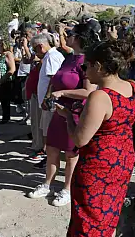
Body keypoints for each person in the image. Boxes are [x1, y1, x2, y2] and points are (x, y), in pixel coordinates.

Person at [57, 40, 135, 237]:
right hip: (123, 161)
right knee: (109, 215)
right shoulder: (132, 89)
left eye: (87, 66)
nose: (84, 72)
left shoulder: (100, 97)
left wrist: (68, 116)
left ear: (100, 67)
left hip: (97, 167)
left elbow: (80, 138)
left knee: (90, 220)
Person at [28, 24, 97, 206]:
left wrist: (63, 93)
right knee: (51, 148)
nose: (67, 36)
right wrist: (50, 94)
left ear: (80, 38)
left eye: (71, 34)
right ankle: (47, 184)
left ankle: (67, 189)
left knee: (70, 154)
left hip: (74, 112)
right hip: (58, 110)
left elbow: (89, 91)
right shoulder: (69, 58)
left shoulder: (87, 62)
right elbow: (55, 79)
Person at [30, 34, 65, 170]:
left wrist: (47, 98)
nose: (35, 53)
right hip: (47, 102)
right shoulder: (50, 57)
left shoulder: (52, 57)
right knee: (45, 130)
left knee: (49, 132)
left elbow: (53, 79)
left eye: (35, 49)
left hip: (50, 102)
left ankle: (50, 160)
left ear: (40, 46)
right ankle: (48, 158)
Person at [0, 40, 16, 126]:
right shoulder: (0, 55)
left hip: (5, 81)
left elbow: (12, 69)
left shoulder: (8, 54)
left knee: (4, 100)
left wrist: (3, 79)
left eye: (0, 45)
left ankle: (5, 118)